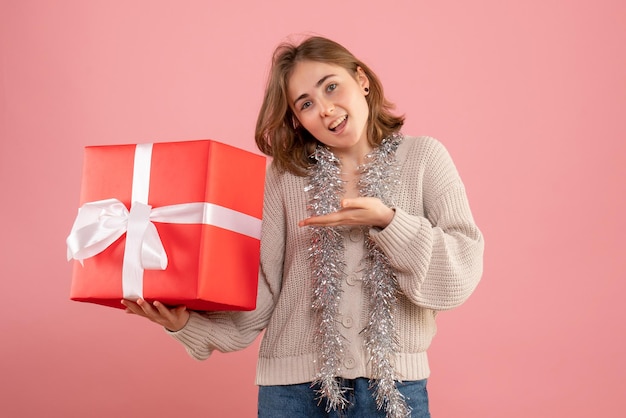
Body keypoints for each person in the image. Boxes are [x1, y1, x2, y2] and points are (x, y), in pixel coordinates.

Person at [122, 35, 484, 418]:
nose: (326, 109)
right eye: (307, 104)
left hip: (394, 392)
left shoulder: (425, 157)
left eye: (331, 86)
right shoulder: (286, 176)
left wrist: (388, 221)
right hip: (293, 394)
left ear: (361, 79)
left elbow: (460, 269)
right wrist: (187, 324)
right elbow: (262, 286)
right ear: (297, 119)